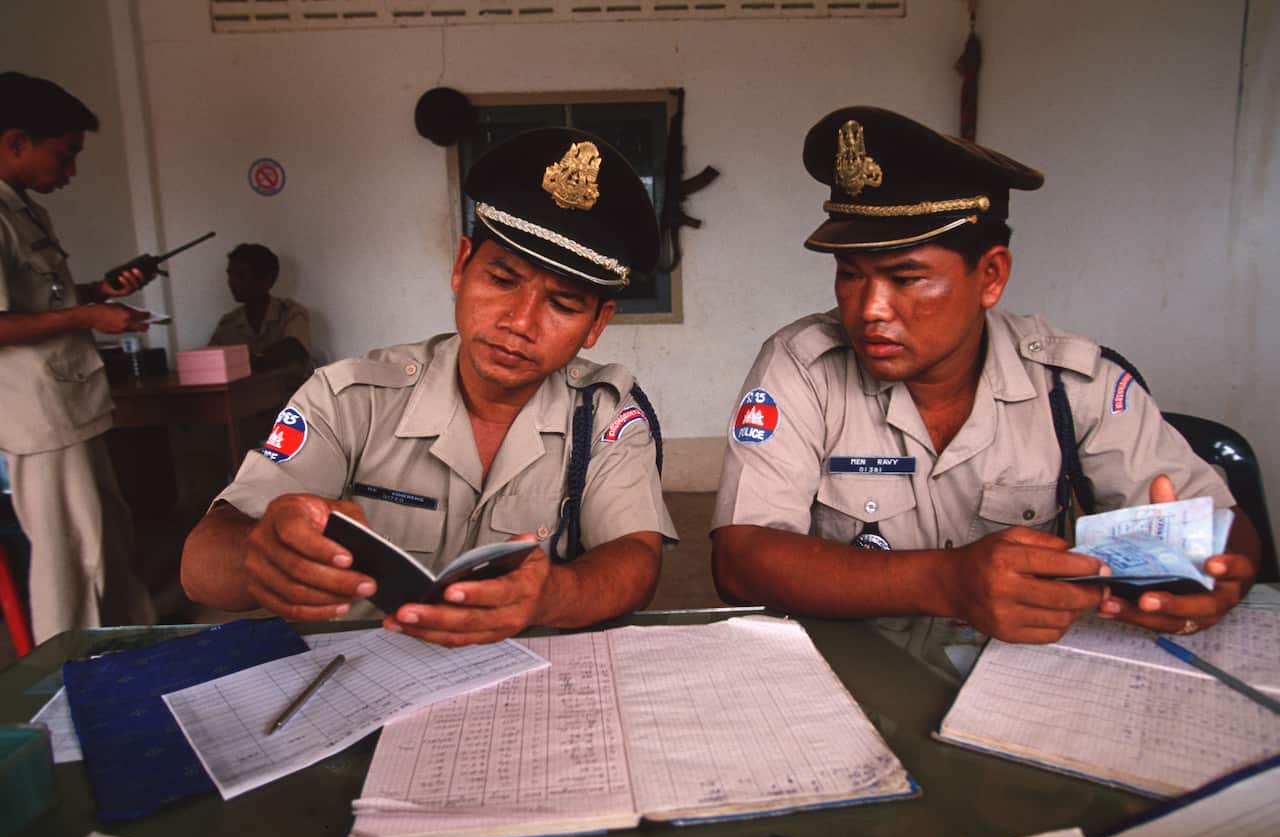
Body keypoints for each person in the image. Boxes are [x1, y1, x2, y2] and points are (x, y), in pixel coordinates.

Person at [711, 106, 1260, 676]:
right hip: (856, 672)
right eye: (851, 275)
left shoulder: (1069, 384)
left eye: (906, 278)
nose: (870, 309)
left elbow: (1224, 525)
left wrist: (1220, 570)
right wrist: (946, 582)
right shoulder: (805, 366)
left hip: (1032, 674)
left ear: (991, 275)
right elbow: (742, 560)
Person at [182, 128, 676, 646]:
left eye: (564, 304)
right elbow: (201, 567)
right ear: (462, 266)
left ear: (597, 324)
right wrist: (262, 550)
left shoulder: (604, 412)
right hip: (363, 677)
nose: (520, 322)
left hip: (529, 681)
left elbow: (635, 559)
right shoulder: (350, 398)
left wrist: (552, 593)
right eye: (503, 280)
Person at [0, 71, 157, 642]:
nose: (69, 172)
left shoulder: (25, 210)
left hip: (72, 406)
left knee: (106, 537)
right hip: (37, 417)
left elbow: (42, 301)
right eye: (63, 156)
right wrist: (89, 318)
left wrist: (97, 294)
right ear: (16, 141)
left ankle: (128, 646)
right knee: (68, 555)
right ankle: (67, 664)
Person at [209, 243, 315, 371]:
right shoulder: (228, 323)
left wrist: (248, 361)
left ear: (267, 280)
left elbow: (293, 348)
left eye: (241, 275)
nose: (232, 282)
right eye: (230, 275)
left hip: (290, 390)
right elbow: (208, 363)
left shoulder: (291, 312)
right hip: (245, 391)